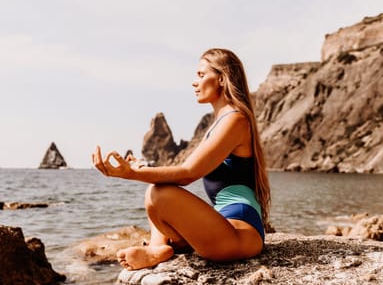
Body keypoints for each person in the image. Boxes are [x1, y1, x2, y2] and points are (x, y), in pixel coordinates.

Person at [92, 48, 271, 271]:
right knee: (157, 191)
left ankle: (157, 249)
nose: (194, 83)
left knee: (159, 193)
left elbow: (188, 173)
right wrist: (143, 170)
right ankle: (159, 248)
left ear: (222, 79)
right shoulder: (221, 121)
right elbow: (182, 171)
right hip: (225, 226)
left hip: (241, 233)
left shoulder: (236, 120)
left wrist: (131, 173)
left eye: (201, 75)